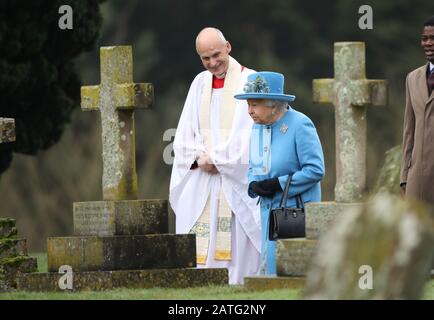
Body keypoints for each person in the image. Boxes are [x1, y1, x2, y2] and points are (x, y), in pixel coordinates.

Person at [169, 27, 261, 284]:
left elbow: (252, 133)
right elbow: (185, 135)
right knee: (202, 243)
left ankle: (241, 283)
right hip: (204, 181)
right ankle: (202, 286)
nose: (212, 63)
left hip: (235, 180)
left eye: (216, 55)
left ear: (228, 47)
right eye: (205, 58)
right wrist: (199, 159)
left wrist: (219, 159)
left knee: (237, 239)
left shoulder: (251, 80)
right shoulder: (199, 83)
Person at [234, 71, 325, 275]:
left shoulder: (300, 124)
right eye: (248, 104)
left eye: (255, 104)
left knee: (290, 272)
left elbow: (316, 169)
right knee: (269, 270)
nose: (249, 111)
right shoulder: (257, 128)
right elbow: (253, 166)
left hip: (295, 213)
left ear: (273, 104)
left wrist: (279, 184)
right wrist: (253, 184)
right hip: (268, 212)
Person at [400, 15, 434, 205]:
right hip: (417, 180)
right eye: (424, 38)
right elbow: (408, 132)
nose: (428, 43)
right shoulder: (412, 78)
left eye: (433, 38)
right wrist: (404, 176)